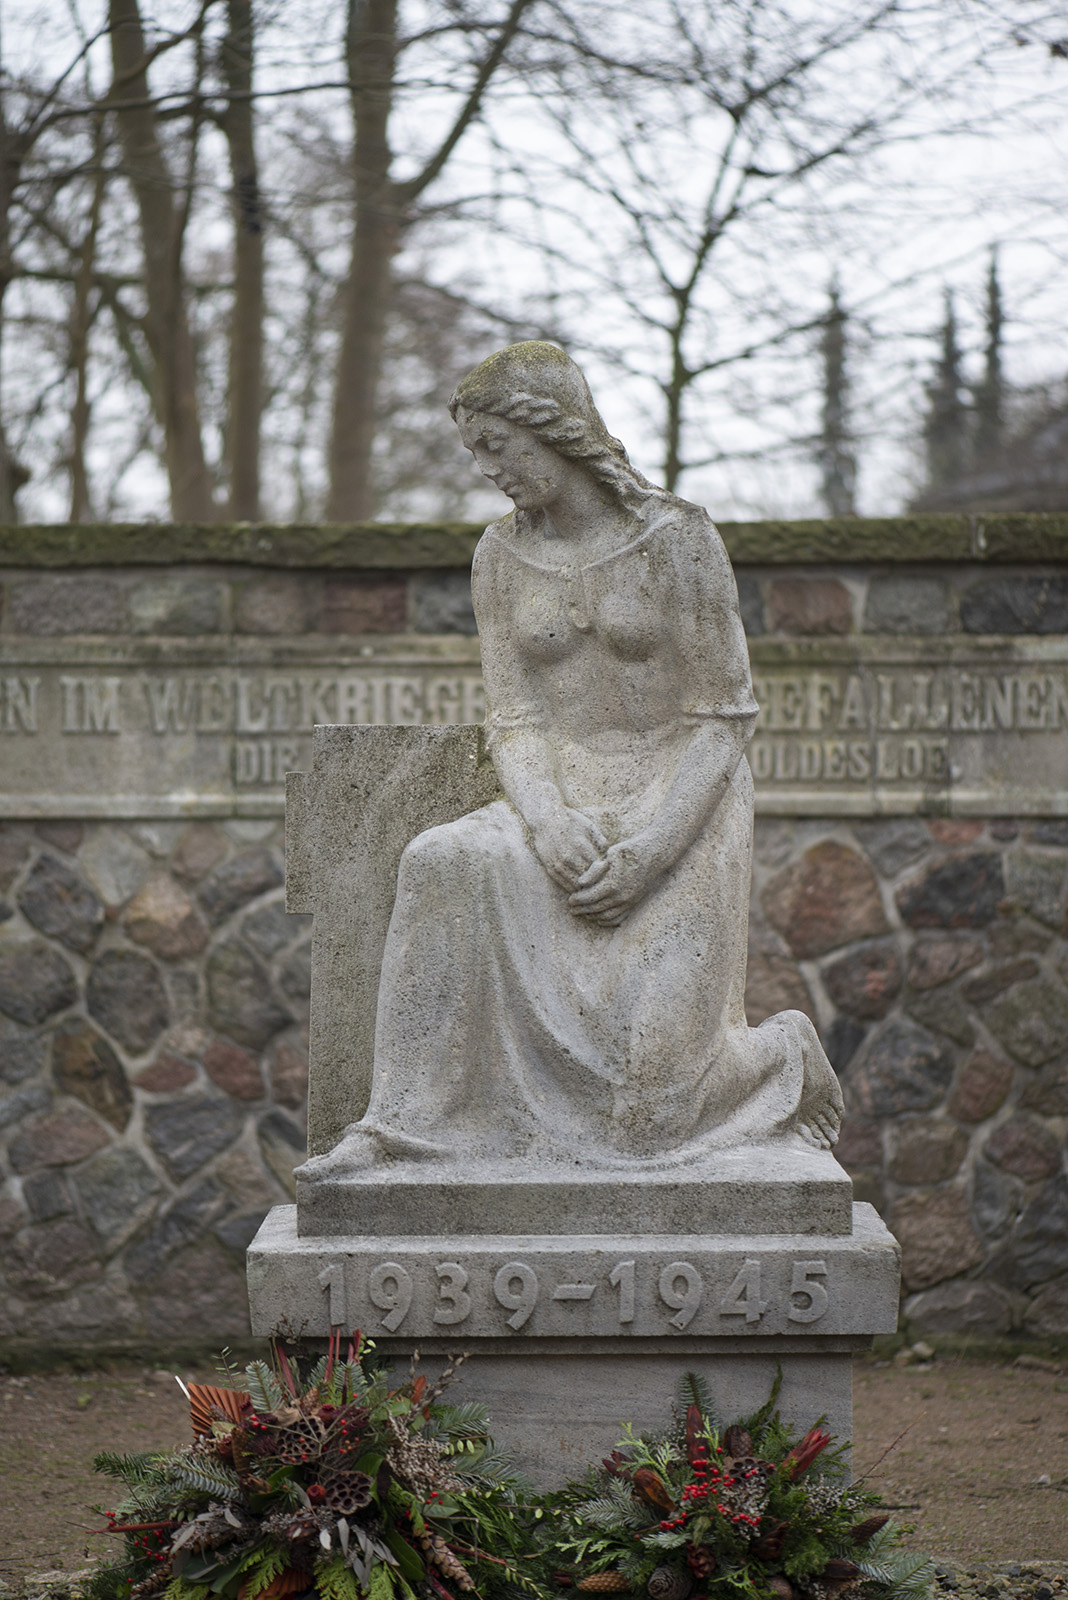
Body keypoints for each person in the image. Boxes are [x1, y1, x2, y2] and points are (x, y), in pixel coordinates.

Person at [307, 342, 842, 1172]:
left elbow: (724, 718)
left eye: (498, 446)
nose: (489, 469)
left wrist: (652, 850)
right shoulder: (498, 558)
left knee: (650, 1119)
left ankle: (780, 1059)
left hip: (681, 802)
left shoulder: (677, 539)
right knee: (443, 859)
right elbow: (514, 721)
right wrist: (549, 821)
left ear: (553, 430)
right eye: (474, 452)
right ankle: (401, 1126)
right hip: (558, 798)